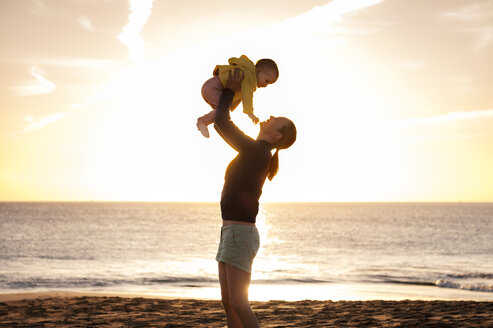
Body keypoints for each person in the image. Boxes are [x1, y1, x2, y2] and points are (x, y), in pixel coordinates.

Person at [214, 68, 296, 328]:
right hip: (230, 231)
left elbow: (222, 123)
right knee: (229, 303)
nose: (270, 117)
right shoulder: (257, 152)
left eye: (276, 120)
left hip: (240, 233)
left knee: (239, 303)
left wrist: (229, 91)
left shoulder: (259, 152)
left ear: (277, 136)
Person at [197, 55, 279, 138]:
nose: (265, 85)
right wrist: (250, 113)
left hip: (209, 86)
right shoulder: (250, 77)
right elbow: (247, 96)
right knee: (223, 110)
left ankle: (206, 122)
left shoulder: (247, 71)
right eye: (267, 81)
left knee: (223, 110)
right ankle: (203, 121)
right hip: (213, 88)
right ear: (259, 71)